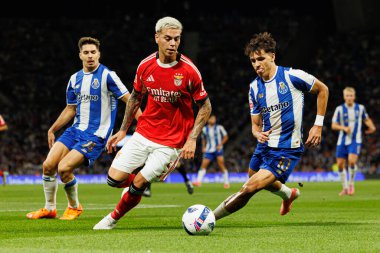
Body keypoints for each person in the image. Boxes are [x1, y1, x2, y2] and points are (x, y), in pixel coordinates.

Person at [93, 16, 212, 230]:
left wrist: (192, 139)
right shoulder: (145, 66)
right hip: (145, 132)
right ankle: (135, 189)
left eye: (177, 39)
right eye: (168, 38)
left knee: (139, 183)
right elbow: (135, 98)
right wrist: (122, 131)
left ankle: (112, 219)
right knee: (114, 179)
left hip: (172, 142)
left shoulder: (189, 71)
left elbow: (206, 106)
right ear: (157, 37)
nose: (173, 43)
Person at [212, 32, 329, 221]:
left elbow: (323, 90)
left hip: (286, 148)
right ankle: (288, 194)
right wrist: (257, 134)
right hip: (265, 146)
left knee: (249, 188)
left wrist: (318, 125)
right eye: (252, 61)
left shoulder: (292, 76)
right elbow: (255, 125)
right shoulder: (254, 88)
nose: (257, 64)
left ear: (272, 56)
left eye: (261, 58)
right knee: (255, 179)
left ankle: (208, 218)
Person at [26, 37, 141, 220]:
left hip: (96, 134)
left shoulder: (107, 76)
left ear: (99, 54)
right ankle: (49, 208)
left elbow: (131, 101)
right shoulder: (74, 79)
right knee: (48, 166)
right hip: (75, 130)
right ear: (80, 55)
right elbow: (70, 109)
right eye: (86, 52)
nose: (90, 56)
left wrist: (142, 125)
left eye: (93, 52)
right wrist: (52, 129)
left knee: (64, 168)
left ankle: (74, 207)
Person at [332, 86, 376, 196]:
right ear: (344, 97)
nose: (349, 97)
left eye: (351, 95)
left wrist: (372, 127)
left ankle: (351, 184)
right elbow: (333, 125)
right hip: (342, 140)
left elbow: (366, 119)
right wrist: (343, 128)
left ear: (354, 96)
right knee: (340, 165)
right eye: (347, 95)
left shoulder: (360, 108)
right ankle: (345, 187)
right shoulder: (339, 109)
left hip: (355, 140)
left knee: (351, 161)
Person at [193, 114, 230, 188]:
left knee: (221, 165)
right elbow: (204, 139)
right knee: (203, 165)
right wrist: (203, 147)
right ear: (208, 120)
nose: (213, 120)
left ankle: (226, 183)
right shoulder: (204, 129)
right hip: (209, 150)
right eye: (211, 119)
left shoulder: (219, 128)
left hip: (218, 150)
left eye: (214, 119)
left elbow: (226, 137)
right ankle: (198, 181)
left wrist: (220, 144)